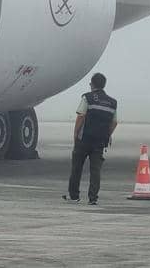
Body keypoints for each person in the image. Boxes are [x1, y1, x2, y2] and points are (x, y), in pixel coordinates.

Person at [64, 72, 118, 205]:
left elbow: (81, 116)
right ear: (103, 85)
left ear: (92, 84)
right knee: (95, 170)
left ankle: (74, 196)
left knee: (77, 168)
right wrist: (107, 134)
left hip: (84, 139)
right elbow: (114, 122)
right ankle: (93, 198)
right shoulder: (112, 102)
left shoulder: (87, 98)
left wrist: (76, 133)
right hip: (100, 141)